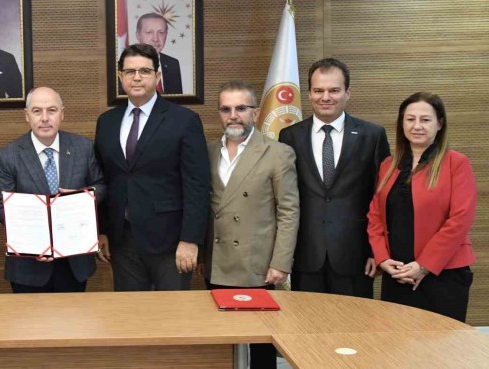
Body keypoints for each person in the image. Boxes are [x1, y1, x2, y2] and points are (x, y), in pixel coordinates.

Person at [94, 43, 209, 291]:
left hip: (171, 242)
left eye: (144, 71)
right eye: (130, 71)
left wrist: (190, 240)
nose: (137, 77)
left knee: (172, 312)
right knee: (131, 312)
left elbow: (197, 185)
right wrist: (102, 231)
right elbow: (104, 180)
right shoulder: (106, 122)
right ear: (120, 77)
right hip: (122, 241)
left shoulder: (184, 120)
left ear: (157, 76)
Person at [201, 81, 299, 369]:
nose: (233, 116)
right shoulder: (206, 152)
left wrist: (281, 262)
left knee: (260, 346)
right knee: (221, 341)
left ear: (255, 113)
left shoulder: (278, 153)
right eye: (226, 109)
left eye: (241, 108)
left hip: (258, 263)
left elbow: (288, 211)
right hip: (218, 260)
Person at [278, 58, 390, 298]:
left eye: (334, 90)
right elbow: (283, 197)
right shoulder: (289, 136)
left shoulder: (372, 135)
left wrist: (377, 252)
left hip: (356, 257)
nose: (325, 97)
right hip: (305, 255)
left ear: (348, 93)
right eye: (318, 90)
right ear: (309, 93)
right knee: (306, 321)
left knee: (354, 321)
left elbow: (381, 198)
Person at [368, 92, 476, 322]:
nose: (417, 126)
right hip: (397, 274)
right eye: (410, 119)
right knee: (397, 341)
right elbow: (375, 216)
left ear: (440, 124)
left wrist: (424, 265)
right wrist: (382, 259)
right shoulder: (388, 165)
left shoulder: (456, 163)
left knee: (440, 343)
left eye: (425, 120)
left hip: (443, 275)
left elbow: (460, 219)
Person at [0, 87, 106, 293]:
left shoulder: (83, 147)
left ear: (62, 113)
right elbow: (1, 206)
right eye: (37, 111)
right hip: (29, 264)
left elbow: (100, 186)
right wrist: (35, 242)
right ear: (27, 115)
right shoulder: (8, 155)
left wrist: (79, 198)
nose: (45, 118)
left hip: (74, 259)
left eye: (51, 110)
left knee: (74, 314)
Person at [134, 12, 183, 94]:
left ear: (166, 35)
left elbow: (177, 100)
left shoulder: (172, 64)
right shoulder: (125, 65)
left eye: (161, 32)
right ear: (138, 35)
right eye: (149, 32)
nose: (155, 39)